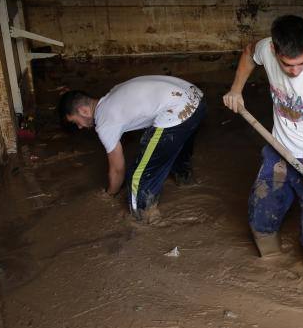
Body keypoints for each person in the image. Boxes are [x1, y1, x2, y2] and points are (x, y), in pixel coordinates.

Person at [223, 15, 303, 274]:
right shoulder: (265, 49)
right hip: (278, 149)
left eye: (302, 63)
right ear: (274, 50)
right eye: (288, 65)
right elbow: (248, 53)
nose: (295, 71)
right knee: (260, 216)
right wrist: (236, 89)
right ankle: (271, 268)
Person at [57, 75, 206, 220]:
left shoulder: (104, 121)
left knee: (137, 177)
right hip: (197, 100)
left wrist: (110, 194)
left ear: (84, 111)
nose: (80, 127)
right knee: (173, 144)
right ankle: (185, 179)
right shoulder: (114, 92)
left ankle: (144, 215)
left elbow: (117, 169)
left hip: (178, 111)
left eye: (76, 122)